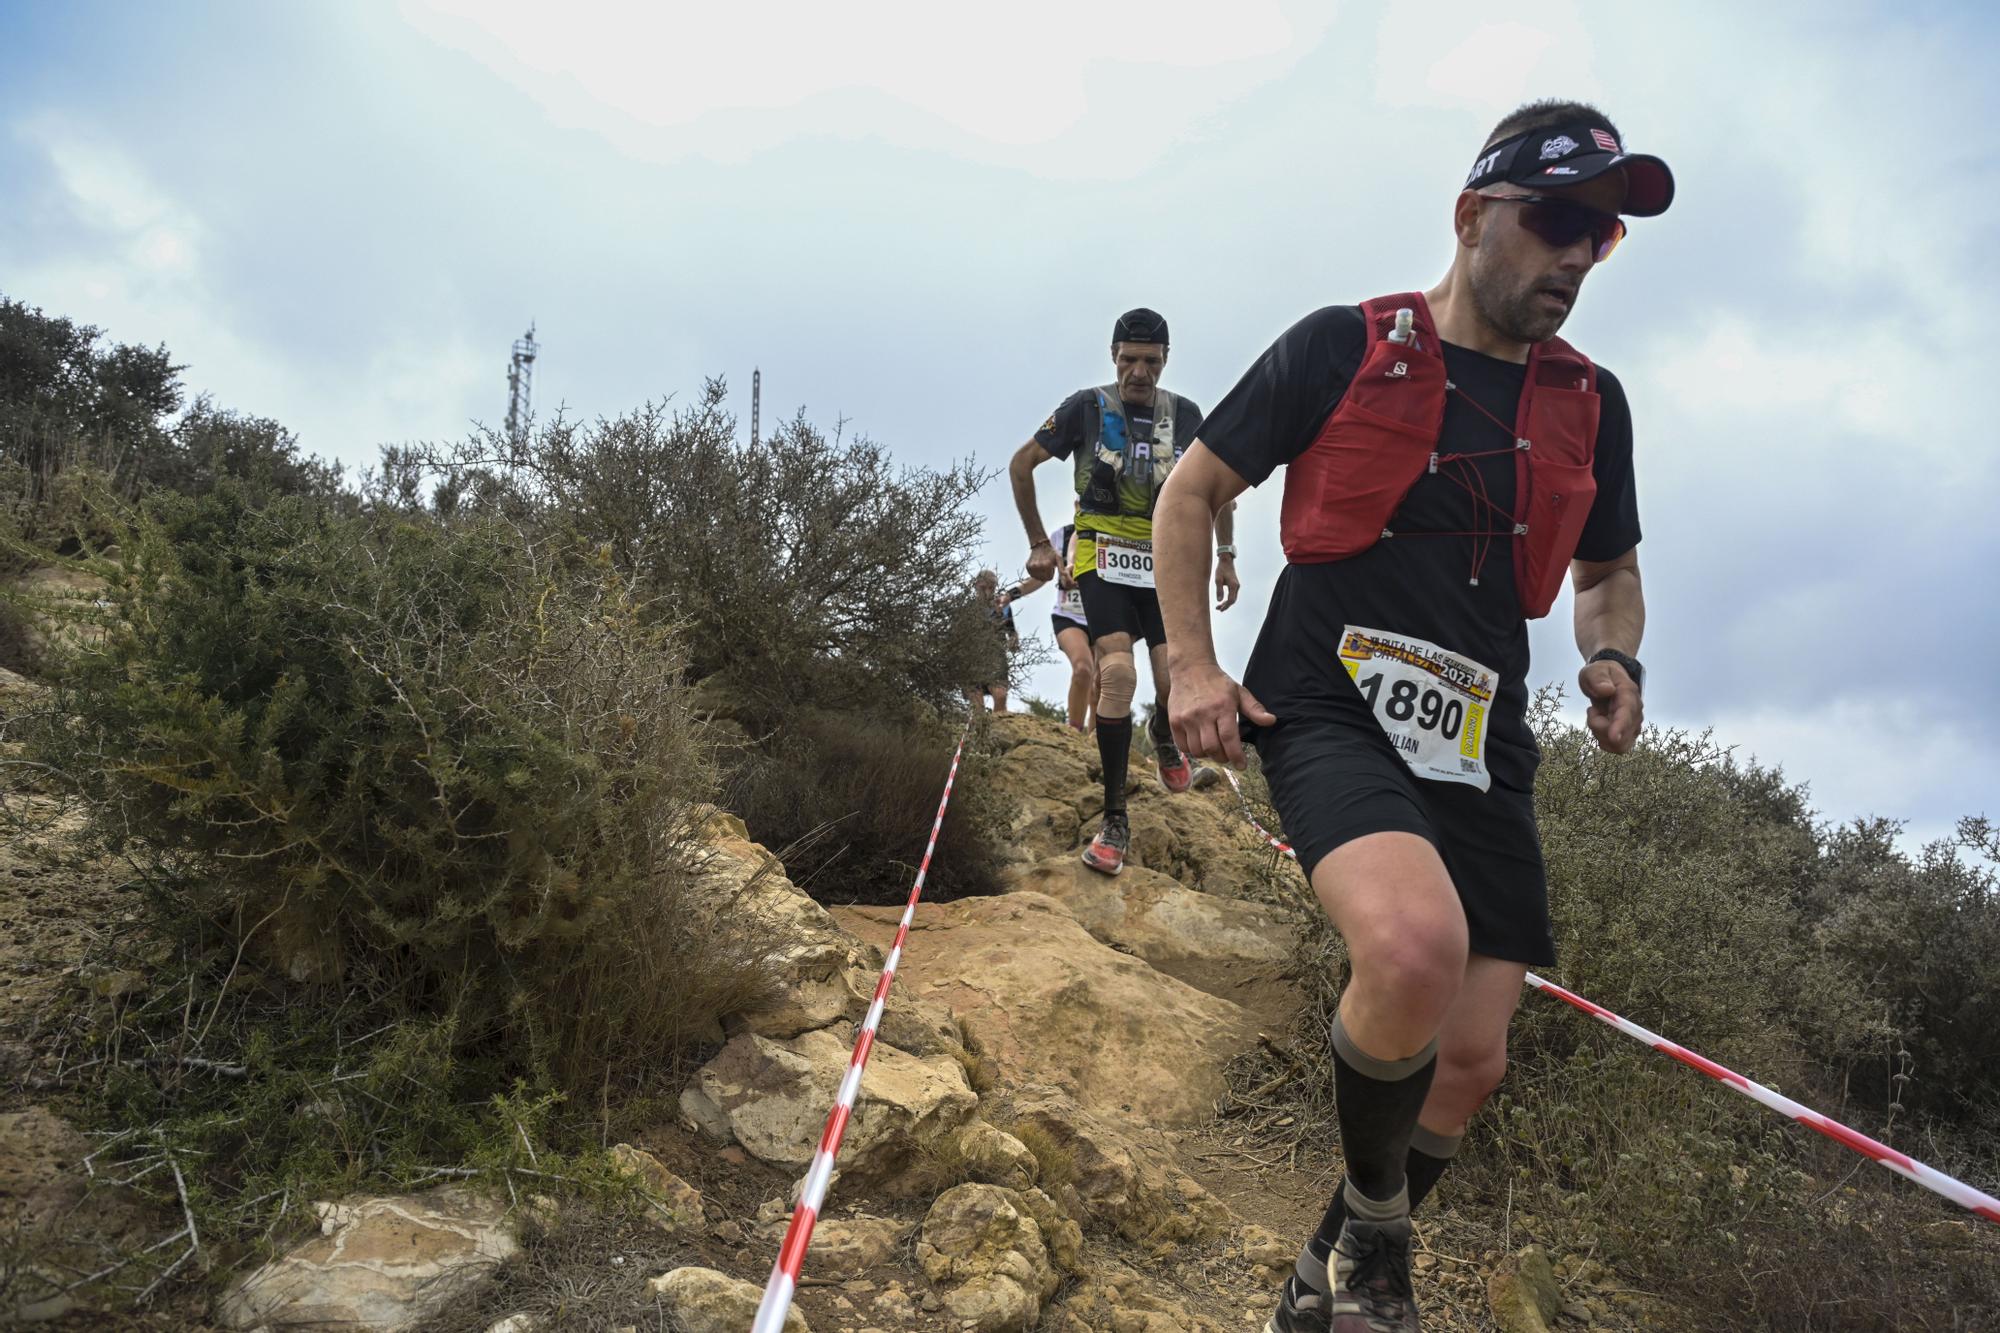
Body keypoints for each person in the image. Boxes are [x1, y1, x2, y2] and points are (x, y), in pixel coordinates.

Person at [1155, 100, 1670, 1332]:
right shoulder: (1341, 345)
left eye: (1597, 238)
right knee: (1407, 952)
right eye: (1554, 220)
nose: (1573, 256)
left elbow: (1605, 577)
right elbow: (1192, 493)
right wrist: (1189, 667)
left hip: (1481, 741)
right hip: (1328, 700)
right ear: (1470, 215)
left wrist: (1613, 662)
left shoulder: (1592, 403)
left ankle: (1322, 1261)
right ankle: (1381, 1239)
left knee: (1473, 1056)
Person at [1009, 308, 1241, 875]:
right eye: (1130, 360)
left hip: (1165, 554)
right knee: (1117, 674)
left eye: (1151, 362)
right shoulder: (1085, 408)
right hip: (1101, 552)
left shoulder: (1184, 415)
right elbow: (1022, 464)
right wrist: (1041, 543)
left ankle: (1163, 731)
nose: (1140, 372)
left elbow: (1221, 490)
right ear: (1114, 355)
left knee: (1171, 679)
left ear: (1165, 362)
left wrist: (1226, 558)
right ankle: (1115, 820)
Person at [1002, 521, 1099, 731]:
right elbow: (1040, 578)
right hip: (1069, 616)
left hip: (1102, 616)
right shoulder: (1061, 536)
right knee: (1083, 669)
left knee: (1101, 683)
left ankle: (1097, 742)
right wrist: (1011, 595)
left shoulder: (1110, 531)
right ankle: (1073, 732)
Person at [965, 568, 1021, 715]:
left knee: (1000, 696)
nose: (988, 592)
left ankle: (998, 732)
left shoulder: (1003, 607)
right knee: (977, 708)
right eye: (984, 588)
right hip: (972, 660)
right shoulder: (967, 609)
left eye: (992, 588)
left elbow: (1011, 632)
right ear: (976, 585)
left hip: (996, 658)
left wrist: (1014, 640)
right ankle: (979, 734)